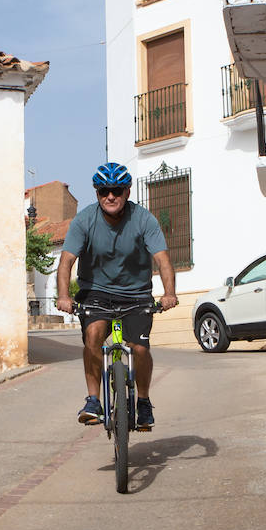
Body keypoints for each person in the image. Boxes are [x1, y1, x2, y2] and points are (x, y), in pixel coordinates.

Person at [55, 162, 178, 429]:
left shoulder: (143, 219)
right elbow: (66, 262)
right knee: (93, 336)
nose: (110, 196)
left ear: (127, 192)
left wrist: (169, 293)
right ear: (97, 193)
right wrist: (64, 296)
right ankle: (93, 401)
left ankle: (143, 401)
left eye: (117, 191)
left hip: (136, 294)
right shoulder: (84, 220)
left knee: (140, 348)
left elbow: (163, 260)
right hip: (95, 293)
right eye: (104, 191)